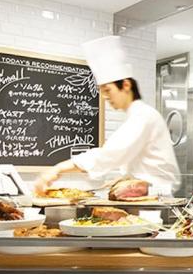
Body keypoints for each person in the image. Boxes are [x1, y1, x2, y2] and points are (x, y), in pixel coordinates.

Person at [35, 36, 180, 195]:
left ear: (126, 85)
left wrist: (59, 168)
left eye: (107, 90)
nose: (104, 96)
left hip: (156, 199)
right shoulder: (137, 115)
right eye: (102, 91)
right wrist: (124, 178)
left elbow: (110, 154)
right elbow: (138, 160)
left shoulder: (144, 116)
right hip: (147, 196)